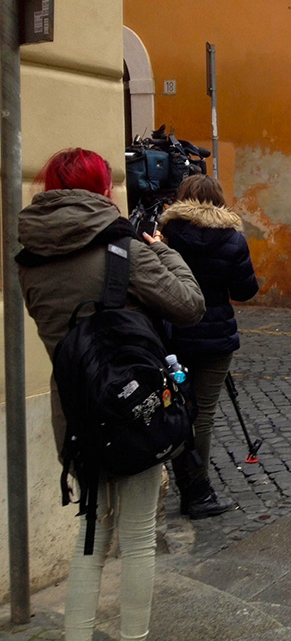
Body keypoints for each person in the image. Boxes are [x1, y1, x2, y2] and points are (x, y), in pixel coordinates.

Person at [16, 148, 205, 641]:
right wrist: (160, 247)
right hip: (134, 408)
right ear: (103, 190)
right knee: (138, 537)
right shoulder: (125, 249)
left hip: (76, 413)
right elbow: (189, 305)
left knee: (90, 534)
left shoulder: (29, 259)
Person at [158, 174, 259, 518]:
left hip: (174, 336)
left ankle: (186, 480)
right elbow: (244, 291)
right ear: (218, 199)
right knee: (203, 414)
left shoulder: (167, 236)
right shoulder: (232, 239)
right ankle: (197, 491)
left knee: (176, 409)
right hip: (215, 338)